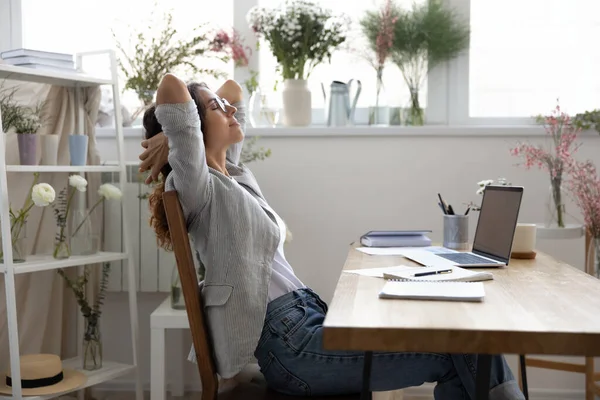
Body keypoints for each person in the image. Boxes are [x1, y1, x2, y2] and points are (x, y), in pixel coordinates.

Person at [138, 73, 525, 400]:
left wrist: (203, 112)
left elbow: (234, 89)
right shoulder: (196, 186)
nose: (232, 109)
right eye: (215, 109)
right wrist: (175, 137)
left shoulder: (233, 176)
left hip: (306, 319)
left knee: (468, 342)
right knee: (465, 349)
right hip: (290, 345)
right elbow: (172, 86)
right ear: (190, 128)